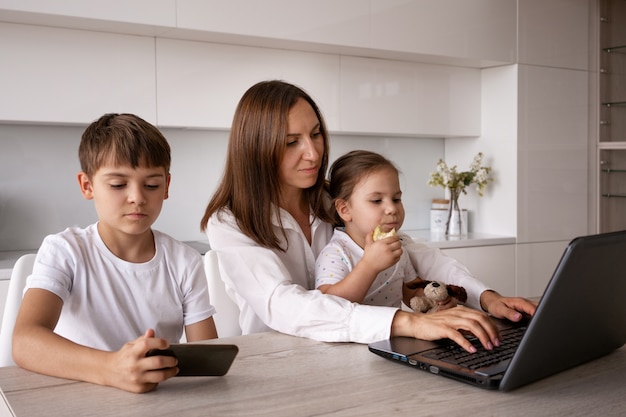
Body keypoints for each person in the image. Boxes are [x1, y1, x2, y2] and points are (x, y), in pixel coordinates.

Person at [201, 80, 536, 353]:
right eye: (292, 142)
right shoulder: (230, 222)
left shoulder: (336, 199)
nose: (313, 152)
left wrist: (487, 298)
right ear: (257, 149)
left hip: (357, 350)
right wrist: (406, 322)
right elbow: (285, 305)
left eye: (316, 134)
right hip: (279, 360)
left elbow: (417, 253)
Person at [12, 113, 218, 393]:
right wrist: (112, 369)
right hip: (77, 399)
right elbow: (25, 341)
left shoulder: (185, 262)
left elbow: (208, 360)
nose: (137, 197)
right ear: (87, 185)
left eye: (152, 185)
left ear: (166, 186)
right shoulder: (65, 251)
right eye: (119, 185)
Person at [316, 149, 483, 311]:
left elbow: (410, 292)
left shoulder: (398, 248)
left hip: (393, 335)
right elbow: (328, 306)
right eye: (376, 200)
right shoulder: (336, 253)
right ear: (345, 209)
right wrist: (369, 266)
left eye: (396, 199)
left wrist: (435, 303)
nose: (392, 208)